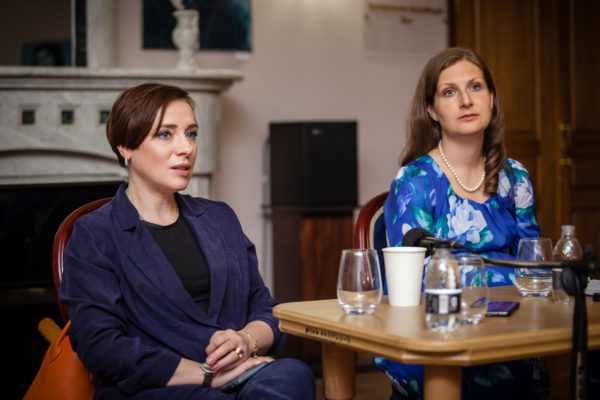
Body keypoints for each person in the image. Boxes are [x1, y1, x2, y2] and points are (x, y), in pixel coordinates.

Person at [59, 83, 315, 399]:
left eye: (191, 134)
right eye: (165, 134)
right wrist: (206, 375)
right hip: (154, 388)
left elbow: (264, 307)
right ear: (125, 146)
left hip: (240, 374)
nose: (186, 148)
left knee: (293, 375)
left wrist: (246, 341)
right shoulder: (95, 234)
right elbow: (99, 344)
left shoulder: (220, 217)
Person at [376, 47, 548, 399]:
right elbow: (415, 284)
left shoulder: (516, 177)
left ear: (492, 99)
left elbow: (535, 267)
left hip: (512, 325)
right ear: (432, 110)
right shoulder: (415, 182)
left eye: (475, 87)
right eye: (450, 92)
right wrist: (498, 286)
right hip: (437, 330)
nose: (466, 100)